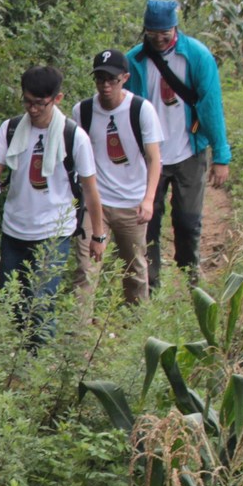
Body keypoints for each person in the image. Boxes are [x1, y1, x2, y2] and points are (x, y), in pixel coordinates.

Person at [0, 66, 104, 345]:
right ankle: (14, 359)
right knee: (11, 299)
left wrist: (98, 235)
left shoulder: (73, 136)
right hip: (15, 228)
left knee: (40, 301)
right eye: (27, 101)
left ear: (57, 99)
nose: (33, 108)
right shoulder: (12, 128)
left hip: (53, 231)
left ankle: (36, 363)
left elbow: (90, 188)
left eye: (40, 103)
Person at [126, 0, 231, 291]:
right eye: (152, 33)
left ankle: (190, 280)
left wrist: (221, 155)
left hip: (189, 151)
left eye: (165, 33)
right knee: (148, 222)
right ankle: (150, 284)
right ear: (145, 29)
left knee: (188, 221)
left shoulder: (197, 57)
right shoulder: (134, 61)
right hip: (149, 157)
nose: (159, 39)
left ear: (175, 28)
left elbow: (212, 106)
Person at [79, 49, 163, 304]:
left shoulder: (141, 110)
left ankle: (138, 329)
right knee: (85, 270)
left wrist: (148, 199)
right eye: (100, 79)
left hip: (131, 202)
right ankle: (78, 336)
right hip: (95, 204)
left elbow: (154, 158)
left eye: (112, 79)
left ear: (125, 78)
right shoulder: (83, 111)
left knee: (135, 270)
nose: (106, 85)